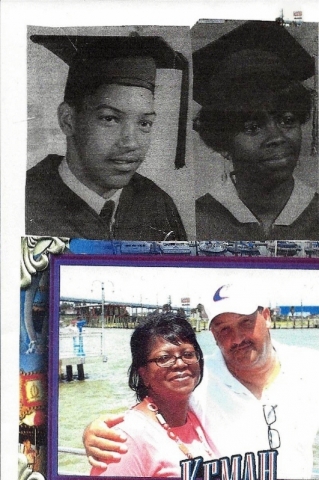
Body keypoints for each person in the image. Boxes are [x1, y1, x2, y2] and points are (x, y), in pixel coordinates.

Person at [83, 283, 319, 479]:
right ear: (214, 336)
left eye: (245, 322)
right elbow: (147, 415)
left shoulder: (310, 366)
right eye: (223, 329)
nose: (237, 338)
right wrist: (96, 431)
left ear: (266, 317)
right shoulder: (196, 381)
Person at [26, 34, 188, 241]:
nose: (131, 143)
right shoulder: (24, 201)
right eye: (110, 119)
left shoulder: (157, 203)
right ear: (68, 120)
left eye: (144, 123)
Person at [193, 21, 318, 240]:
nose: (276, 137)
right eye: (252, 127)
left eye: (287, 120)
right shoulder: (194, 220)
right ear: (223, 144)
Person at [90, 312, 217, 477]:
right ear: (143, 374)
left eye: (188, 354)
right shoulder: (126, 439)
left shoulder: (199, 416)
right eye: (164, 358)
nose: (179, 363)